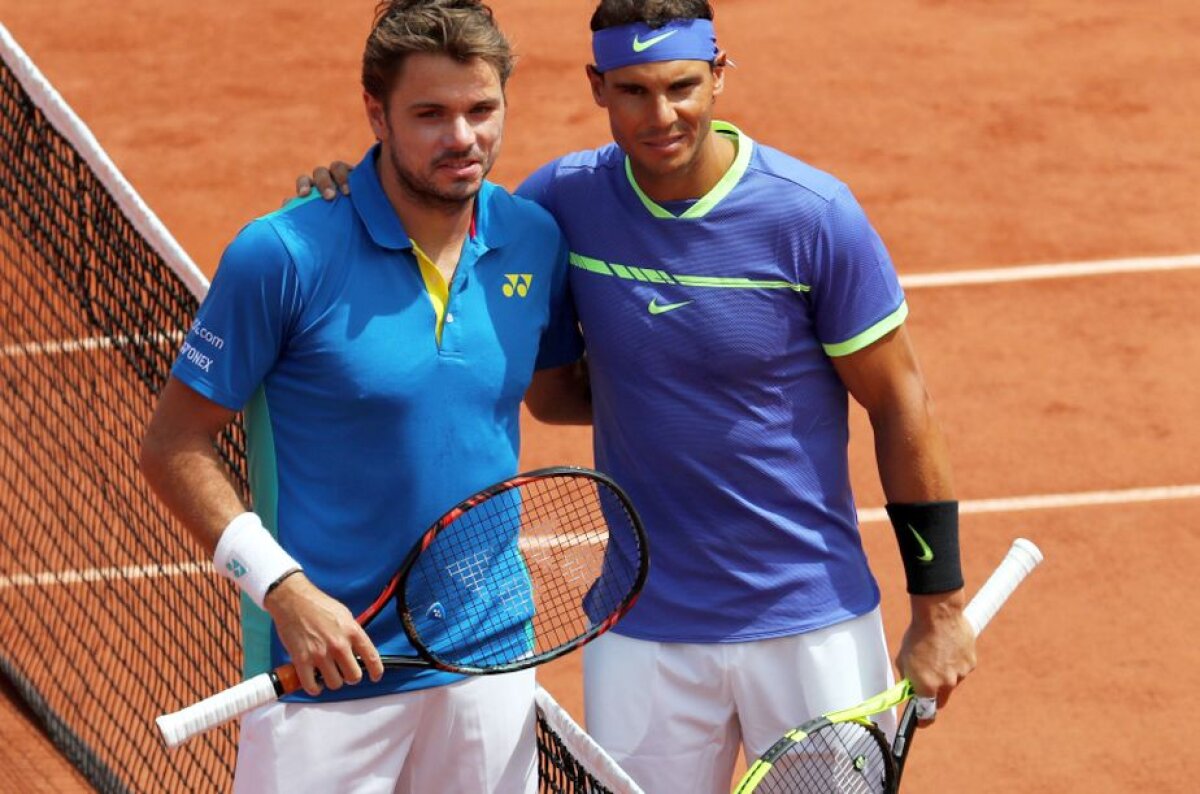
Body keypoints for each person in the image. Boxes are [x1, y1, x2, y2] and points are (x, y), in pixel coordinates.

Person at [302, 2, 976, 792]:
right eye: (632, 92)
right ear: (597, 87)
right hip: (641, 632)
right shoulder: (564, 203)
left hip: (811, 625)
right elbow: (448, 215)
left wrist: (939, 610)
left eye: (682, 86)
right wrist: (354, 186)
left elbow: (901, 404)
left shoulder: (813, 218)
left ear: (720, 74)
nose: (662, 115)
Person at [140, 1, 581, 791]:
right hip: (325, 674)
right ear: (375, 113)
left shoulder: (533, 239)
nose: (462, 138)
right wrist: (284, 592)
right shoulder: (284, 254)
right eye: (429, 114)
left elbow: (557, 391)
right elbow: (173, 444)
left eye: (482, 109)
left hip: (488, 664)